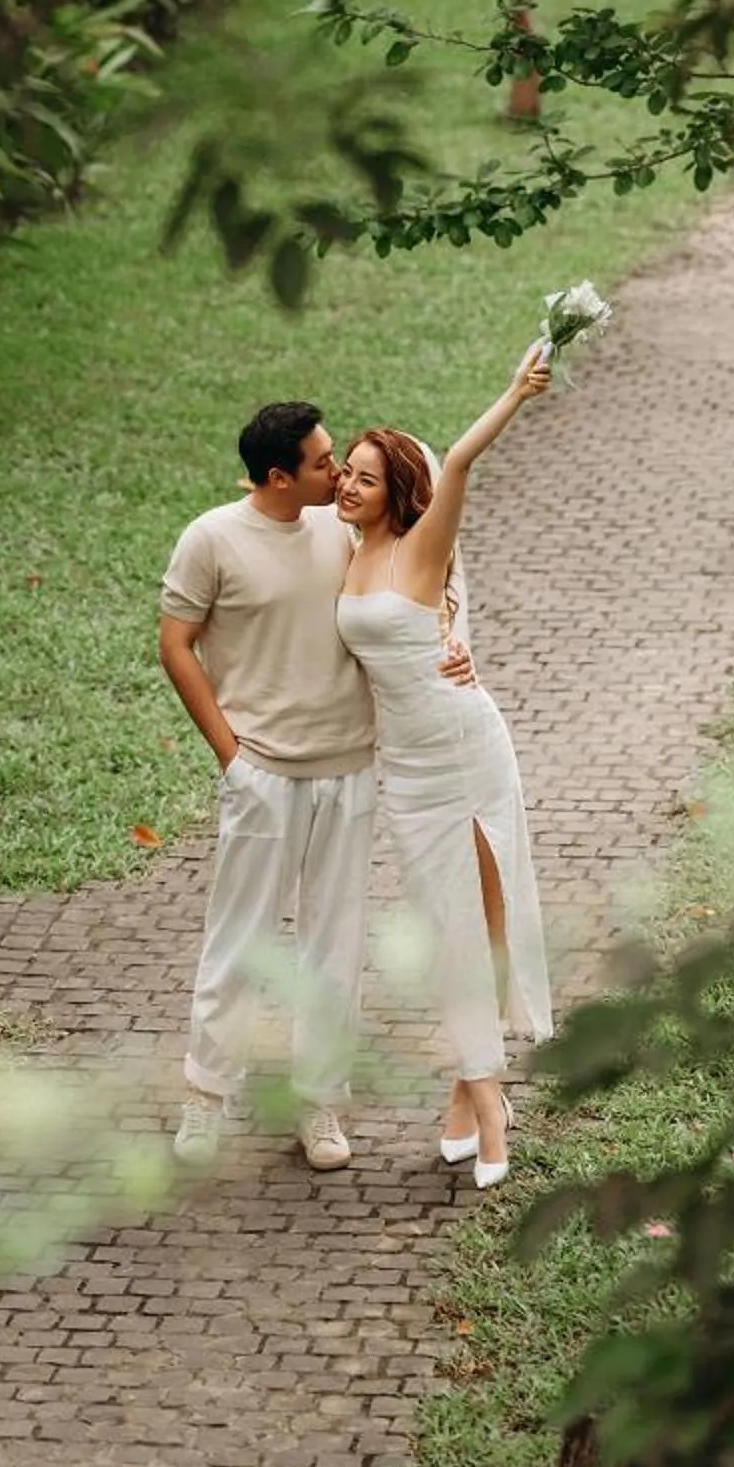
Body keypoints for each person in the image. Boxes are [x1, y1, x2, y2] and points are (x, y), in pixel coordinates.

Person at [158, 399, 472, 1174]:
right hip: (263, 773)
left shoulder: (351, 530)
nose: (338, 474)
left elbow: (428, 571)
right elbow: (175, 644)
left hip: (349, 771)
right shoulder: (213, 539)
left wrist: (453, 647)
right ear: (277, 476)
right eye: (324, 463)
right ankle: (206, 1099)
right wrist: (233, 756)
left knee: (334, 947)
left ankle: (320, 1103)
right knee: (240, 942)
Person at [334, 346, 554, 1188]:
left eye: (364, 478)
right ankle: (473, 1095)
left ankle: (485, 1100)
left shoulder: (423, 548)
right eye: (344, 474)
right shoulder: (340, 544)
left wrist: (514, 391)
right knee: (445, 933)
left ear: (395, 491)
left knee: (486, 923)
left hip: (465, 747)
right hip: (408, 773)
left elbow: (458, 459)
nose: (348, 486)